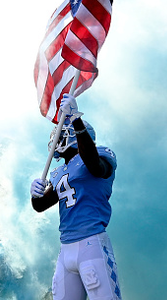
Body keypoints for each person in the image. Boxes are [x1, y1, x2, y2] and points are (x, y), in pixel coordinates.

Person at [31, 94, 122, 300]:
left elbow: (94, 166)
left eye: (63, 133)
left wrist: (76, 120)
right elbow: (41, 205)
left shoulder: (100, 154)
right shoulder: (60, 171)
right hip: (65, 248)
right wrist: (35, 195)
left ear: (75, 134)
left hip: (91, 243)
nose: (56, 138)